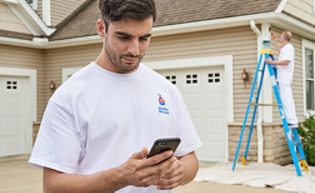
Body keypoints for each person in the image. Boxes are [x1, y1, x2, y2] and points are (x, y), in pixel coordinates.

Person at [29, 0, 201, 192]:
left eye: (144, 38)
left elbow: (190, 159)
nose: (134, 50)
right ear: (102, 28)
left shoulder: (166, 89)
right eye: (124, 37)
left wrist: (179, 171)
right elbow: (53, 187)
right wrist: (121, 177)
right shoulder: (70, 97)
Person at [266, 31, 298, 127]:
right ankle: (290, 120)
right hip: (282, 78)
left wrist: (272, 62)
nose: (280, 37)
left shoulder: (289, 48)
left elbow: (286, 61)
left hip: (285, 77)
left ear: (284, 37)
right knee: (285, 99)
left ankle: (292, 120)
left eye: (281, 36)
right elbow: (279, 49)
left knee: (287, 98)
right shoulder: (285, 48)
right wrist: (273, 40)